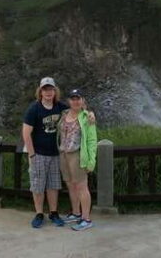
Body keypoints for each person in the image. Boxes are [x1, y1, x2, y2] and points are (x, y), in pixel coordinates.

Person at [22, 77, 68, 228]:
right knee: (38, 185)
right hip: (39, 154)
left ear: (55, 91)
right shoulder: (34, 109)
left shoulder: (61, 107)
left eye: (51, 89)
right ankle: (39, 213)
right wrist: (32, 154)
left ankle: (53, 213)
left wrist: (89, 114)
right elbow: (26, 133)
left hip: (55, 154)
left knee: (53, 185)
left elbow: (77, 113)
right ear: (40, 91)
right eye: (45, 89)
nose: (48, 92)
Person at [58, 88, 97, 231]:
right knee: (70, 184)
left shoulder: (87, 117)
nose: (75, 101)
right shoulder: (63, 114)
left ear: (83, 101)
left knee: (81, 186)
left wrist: (91, 161)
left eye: (78, 98)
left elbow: (92, 140)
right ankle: (76, 212)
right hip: (63, 153)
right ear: (69, 101)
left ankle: (86, 219)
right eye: (73, 98)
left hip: (78, 155)